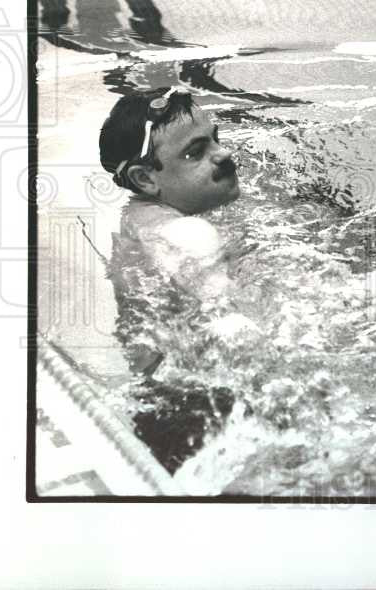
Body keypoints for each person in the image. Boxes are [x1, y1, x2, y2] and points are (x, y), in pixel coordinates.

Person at [99, 87, 245, 470]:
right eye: (195, 152)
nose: (224, 153)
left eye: (216, 139)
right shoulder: (190, 235)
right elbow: (235, 330)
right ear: (145, 179)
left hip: (161, 410)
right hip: (211, 411)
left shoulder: (136, 222)